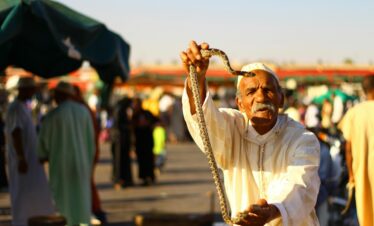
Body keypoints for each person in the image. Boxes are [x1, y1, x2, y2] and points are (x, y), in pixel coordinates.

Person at [180, 41, 320, 225]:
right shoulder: (231, 127)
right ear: (240, 103)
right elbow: (205, 121)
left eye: (268, 90)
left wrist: (273, 211)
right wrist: (196, 78)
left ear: (281, 99)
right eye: (251, 91)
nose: (260, 97)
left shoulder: (302, 139)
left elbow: (301, 185)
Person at [37, 81, 95, 225]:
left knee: (63, 202)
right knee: (81, 199)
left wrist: (42, 155)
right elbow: (91, 142)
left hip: (60, 165)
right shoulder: (83, 112)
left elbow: (42, 143)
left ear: (60, 95)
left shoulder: (53, 116)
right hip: (82, 164)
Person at [5, 77, 54, 226]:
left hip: (29, 160)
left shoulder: (22, 107)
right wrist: (21, 158)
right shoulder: (15, 108)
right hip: (23, 160)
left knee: (31, 193)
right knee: (22, 193)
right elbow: (16, 132)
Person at [338, 75, 374, 226]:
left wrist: (352, 175)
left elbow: (348, 149)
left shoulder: (354, 113)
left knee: (366, 216)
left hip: (362, 174)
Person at [132, 97, 156, 186]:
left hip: (147, 139)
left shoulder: (147, 113)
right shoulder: (135, 115)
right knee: (141, 160)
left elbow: (155, 121)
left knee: (149, 159)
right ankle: (144, 178)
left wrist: (148, 124)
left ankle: (150, 176)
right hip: (139, 141)